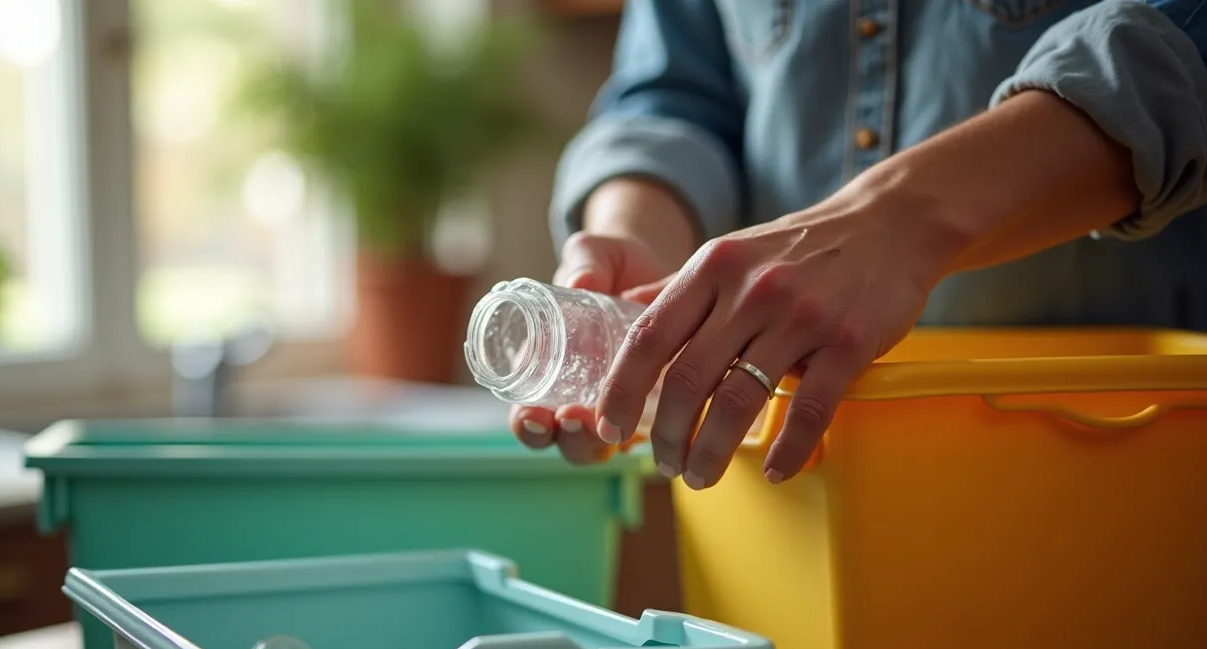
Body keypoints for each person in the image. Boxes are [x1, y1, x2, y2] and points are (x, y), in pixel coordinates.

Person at [508, 0, 1207, 488]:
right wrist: (635, 241)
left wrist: (901, 220)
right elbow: (676, 96)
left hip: (1119, 453)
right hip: (801, 473)